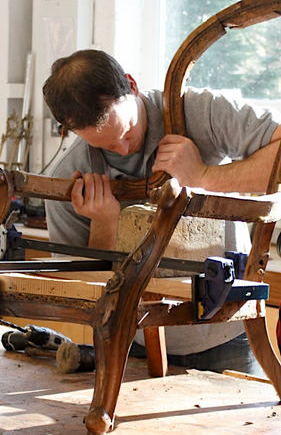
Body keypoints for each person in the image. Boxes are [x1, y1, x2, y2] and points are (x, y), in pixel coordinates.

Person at [42, 49, 281, 375]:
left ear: (132, 85)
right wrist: (105, 224)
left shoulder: (199, 112)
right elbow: (80, 294)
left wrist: (203, 176)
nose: (124, 148)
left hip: (225, 334)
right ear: (69, 129)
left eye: (126, 131)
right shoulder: (68, 178)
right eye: (106, 145)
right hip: (135, 342)